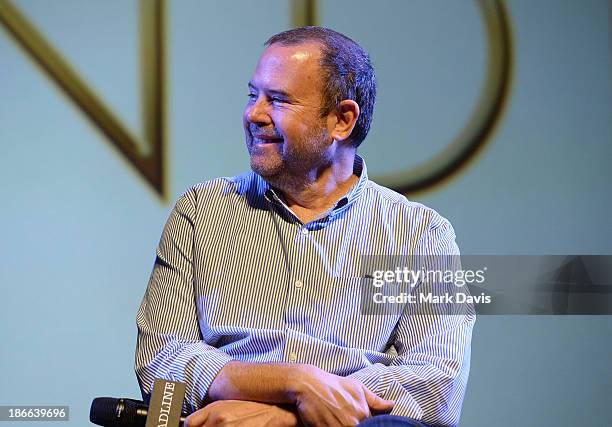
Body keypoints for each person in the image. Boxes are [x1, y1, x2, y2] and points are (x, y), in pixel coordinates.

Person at [135, 26, 474, 427]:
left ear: (342, 120)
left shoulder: (421, 234)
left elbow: (437, 384)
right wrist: (293, 382)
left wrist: (288, 418)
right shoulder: (201, 211)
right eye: (252, 95)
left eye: (277, 100)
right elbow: (160, 364)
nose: (254, 114)